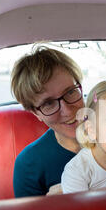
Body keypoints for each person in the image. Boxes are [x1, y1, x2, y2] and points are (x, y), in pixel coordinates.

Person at [11, 45, 84, 197]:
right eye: (48, 103)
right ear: (36, 113)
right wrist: (50, 209)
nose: (67, 110)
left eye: (70, 92)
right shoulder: (29, 164)